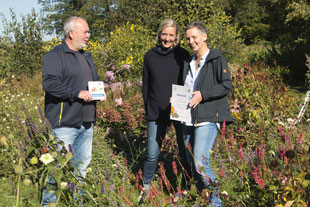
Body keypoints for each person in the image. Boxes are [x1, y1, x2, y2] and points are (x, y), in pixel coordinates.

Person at [42, 16, 104, 205]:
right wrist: (76, 93)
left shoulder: (86, 56)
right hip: (64, 124)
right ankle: (49, 204)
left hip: (86, 122)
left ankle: (77, 203)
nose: (88, 35)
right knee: (56, 170)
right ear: (71, 33)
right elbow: (49, 83)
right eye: (85, 31)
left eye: (88, 32)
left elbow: (94, 80)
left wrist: (100, 91)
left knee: (81, 169)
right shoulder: (55, 55)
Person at [182, 21, 233, 207]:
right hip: (188, 117)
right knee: (191, 161)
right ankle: (204, 198)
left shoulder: (216, 58)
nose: (191, 41)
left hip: (208, 117)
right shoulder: (188, 62)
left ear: (204, 36)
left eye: (194, 37)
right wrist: (177, 100)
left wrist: (204, 94)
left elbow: (227, 84)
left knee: (201, 163)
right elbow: (186, 88)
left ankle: (216, 203)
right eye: (187, 38)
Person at [141, 18, 191, 194]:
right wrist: (148, 109)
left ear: (177, 36)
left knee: (185, 152)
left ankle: (185, 186)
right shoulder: (150, 56)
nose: (167, 38)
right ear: (159, 34)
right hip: (156, 111)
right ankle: (145, 187)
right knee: (152, 153)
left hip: (180, 110)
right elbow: (146, 86)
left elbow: (190, 82)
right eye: (164, 34)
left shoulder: (184, 55)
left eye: (171, 35)